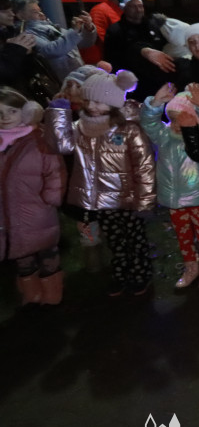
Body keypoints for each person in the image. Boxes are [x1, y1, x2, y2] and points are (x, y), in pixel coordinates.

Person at [46, 69, 158, 296]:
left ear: (114, 103)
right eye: (89, 100)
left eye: (100, 101)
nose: (94, 106)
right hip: (101, 201)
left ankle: (140, 275)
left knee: (135, 241)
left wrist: (145, 202)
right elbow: (61, 146)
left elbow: (144, 166)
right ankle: (121, 274)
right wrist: (58, 112)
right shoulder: (79, 128)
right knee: (115, 242)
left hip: (128, 200)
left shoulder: (128, 130)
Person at [139, 83, 199, 290]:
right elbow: (149, 122)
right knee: (182, 234)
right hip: (174, 197)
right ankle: (190, 266)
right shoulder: (164, 136)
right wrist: (156, 103)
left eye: (183, 119)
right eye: (173, 119)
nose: (177, 124)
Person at [0, 87, 65, 305]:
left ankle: (51, 292)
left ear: (26, 112)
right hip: (8, 213)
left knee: (46, 252)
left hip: (37, 210)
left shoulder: (39, 140)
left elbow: (54, 171)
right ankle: (32, 293)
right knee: (21, 254)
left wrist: (50, 199)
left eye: (11, 111)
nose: (5, 118)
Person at [13, 0, 97, 82]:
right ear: (20, 15)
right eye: (35, 12)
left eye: (40, 11)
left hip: (77, 76)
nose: (41, 14)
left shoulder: (52, 27)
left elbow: (84, 43)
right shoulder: (26, 34)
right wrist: (74, 31)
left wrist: (88, 28)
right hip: (62, 81)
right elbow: (51, 50)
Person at [87, 0, 128, 64]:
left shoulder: (121, 9)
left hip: (122, 52)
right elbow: (100, 36)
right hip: (109, 56)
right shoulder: (99, 10)